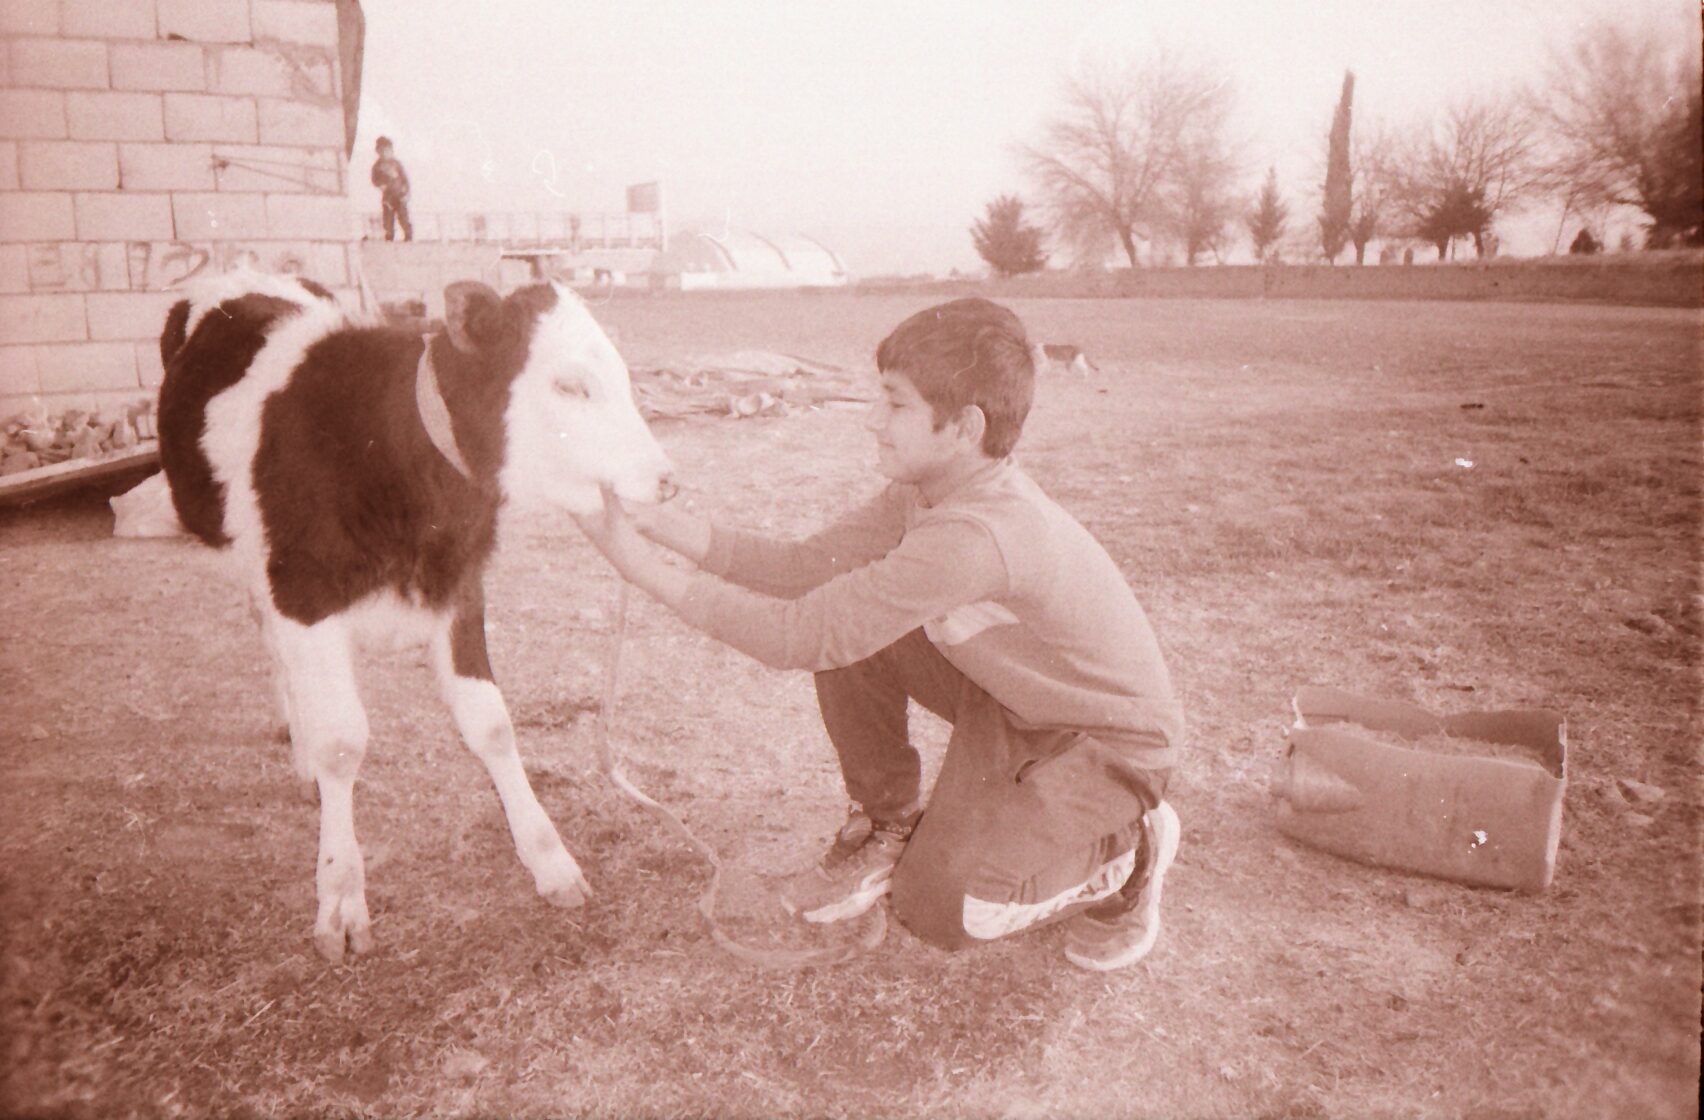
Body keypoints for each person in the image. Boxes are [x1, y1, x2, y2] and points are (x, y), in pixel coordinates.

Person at [571, 298, 1183, 971]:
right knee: (851, 620)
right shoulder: (926, 491)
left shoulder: (976, 535)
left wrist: (639, 567)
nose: (872, 420)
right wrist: (660, 525)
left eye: (894, 404)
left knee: (940, 910)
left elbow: (797, 637)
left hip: (1106, 741)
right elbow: (806, 571)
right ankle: (885, 822)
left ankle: (1131, 853)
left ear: (963, 427)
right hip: (1015, 702)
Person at [370, 136, 412, 242]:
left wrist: (406, 192)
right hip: (388, 196)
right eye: (382, 151)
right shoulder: (377, 166)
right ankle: (389, 235)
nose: (385, 153)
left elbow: (405, 179)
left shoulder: (396, 164)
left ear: (391, 150)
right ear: (378, 152)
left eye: (387, 150)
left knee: (403, 216)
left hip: (399, 194)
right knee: (388, 218)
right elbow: (374, 179)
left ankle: (408, 234)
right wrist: (380, 185)